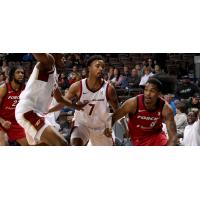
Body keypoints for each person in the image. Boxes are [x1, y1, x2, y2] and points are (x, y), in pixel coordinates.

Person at [15, 53, 86, 146]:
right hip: (28, 111)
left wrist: (76, 106)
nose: (64, 57)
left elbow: (60, 99)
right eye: (62, 54)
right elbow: (40, 55)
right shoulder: (49, 62)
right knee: (62, 144)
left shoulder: (54, 74)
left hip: (38, 114)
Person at [49, 55, 119, 146]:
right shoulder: (77, 86)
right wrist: (47, 111)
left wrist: (110, 126)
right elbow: (63, 102)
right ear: (89, 68)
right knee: (75, 144)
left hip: (101, 127)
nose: (101, 69)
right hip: (82, 124)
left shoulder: (109, 89)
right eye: (97, 66)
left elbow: (118, 111)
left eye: (103, 66)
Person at [112, 74, 177, 146]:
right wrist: (108, 130)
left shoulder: (166, 109)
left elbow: (173, 137)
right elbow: (114, 117)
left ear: (159, 93)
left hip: (156, 138)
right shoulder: (133, 103)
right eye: (146, 90)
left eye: (152, 91)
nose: (147, 94)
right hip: (136, 139)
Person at [0, 66, 28, 145]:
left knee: (28, 145)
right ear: (12, 75)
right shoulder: (4, 88)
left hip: (15, 122)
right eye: (18, 72)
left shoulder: (25, 89)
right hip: (2, 120)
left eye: (22, 73)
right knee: (3, 143)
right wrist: (2, 121)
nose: (21, 74)